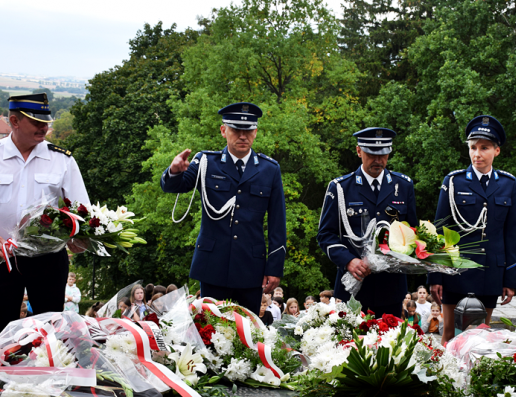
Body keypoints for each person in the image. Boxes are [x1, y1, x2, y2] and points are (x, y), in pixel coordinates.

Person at [0, 92, 90, 342]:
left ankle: (49, 378)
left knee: (50, 329)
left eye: (46, 122)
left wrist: (78, 238)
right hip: (2, 255)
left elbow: (81, 210)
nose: (44, 128)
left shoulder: (62, 159)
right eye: (36, 122)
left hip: (48, 257)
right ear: (14, 121)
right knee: (0, 329)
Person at [162, 102, 287, 315]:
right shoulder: (205, 161)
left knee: (249, 333)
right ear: (223, 131)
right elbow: (177, 185)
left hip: (251, 267)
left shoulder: (269, 169)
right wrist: (174, 171)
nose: (242, 136)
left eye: (247, 131)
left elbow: (277, 223)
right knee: (211, 331)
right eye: (236, 130)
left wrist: (274, 268)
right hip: (213, 264)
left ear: (255, 133)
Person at [429, 116, 516, 343]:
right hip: (456, 272)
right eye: (472, 148)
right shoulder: (453, 182)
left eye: (484, 148)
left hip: (491, 272)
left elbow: (512, 233)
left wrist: (510, 279)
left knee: (480, 336)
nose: (477, 153)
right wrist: (435, 275)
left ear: (496, 151)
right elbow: (439, 231)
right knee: (449, 335)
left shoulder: (508, 184)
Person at [318, 127, 418, 317]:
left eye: (383, 154)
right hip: (354, 288)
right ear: (358, 151)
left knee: (391, 345)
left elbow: (412, 232)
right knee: (352, 345)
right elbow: (325, 235)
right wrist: (348, 261)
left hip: (392, 287)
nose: (378, 160)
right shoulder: (340, 188)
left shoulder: (403, 186)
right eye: (371, 154)